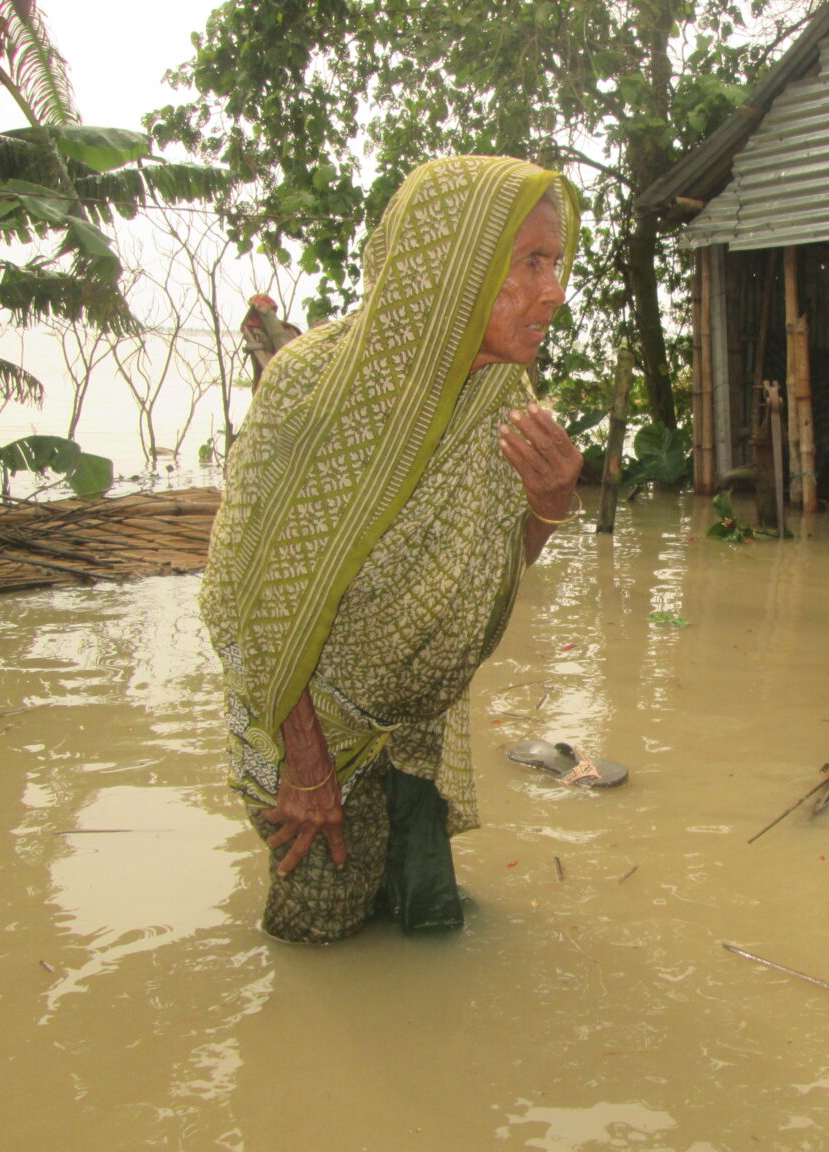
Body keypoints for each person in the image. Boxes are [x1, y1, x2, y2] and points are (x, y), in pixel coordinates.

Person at [200, 156, 584, 944]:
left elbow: (488, 570)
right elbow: (246, 595)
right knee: (319, 929)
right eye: (532, 264)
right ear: (457, 266)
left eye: (556, 263)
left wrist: (549, 508)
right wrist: (305, 766)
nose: (555, 292)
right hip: (303, 719)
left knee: (428, 920)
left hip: (417, 725)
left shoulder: (504, 404)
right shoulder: (316, 385)